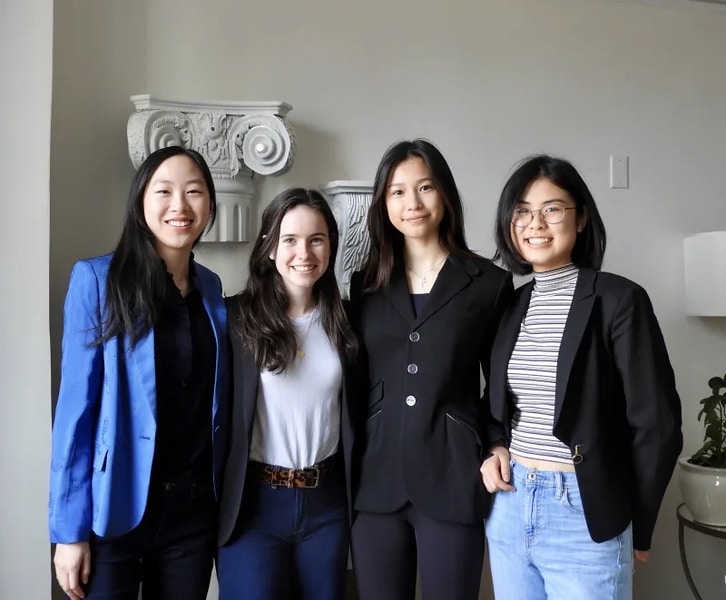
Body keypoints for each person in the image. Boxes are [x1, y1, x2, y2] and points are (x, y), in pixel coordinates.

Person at [482, 154, 683, 600]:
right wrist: (495, 444)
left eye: (552, 208)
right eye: (522, 211)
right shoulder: (510, 306)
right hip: (511, 506)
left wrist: (639, 523)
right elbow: (497, 404)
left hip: (582, 511)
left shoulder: (619, 299)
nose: (536, 223)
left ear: (582, 218)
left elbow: (658, 424)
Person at [49, 146, 229, 600]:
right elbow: (75, 413)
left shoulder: (211, 288)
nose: (180, 207)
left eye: (194, 192)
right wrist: (68, 532)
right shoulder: (97, 280)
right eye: (164, 191)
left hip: (191, 513)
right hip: (116, 506)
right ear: (140, 201)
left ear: (209, 205)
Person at [348, 139, 514, 600]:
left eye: (425, 187)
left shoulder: (489, 284)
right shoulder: (365, 283)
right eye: (397, 192)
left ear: (445, 195)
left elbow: (500, 380)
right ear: (383, 203)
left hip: (453, 472)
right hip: (375, 478)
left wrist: (497, 440)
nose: (412, 203)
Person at [216, 188, 358, 600]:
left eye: (317, 239)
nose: (304, 253)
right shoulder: (235, 318)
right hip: (254, 506)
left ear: (330, 246)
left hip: (327, 506)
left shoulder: (348, 322)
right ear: (269, 246)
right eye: (290, 239)